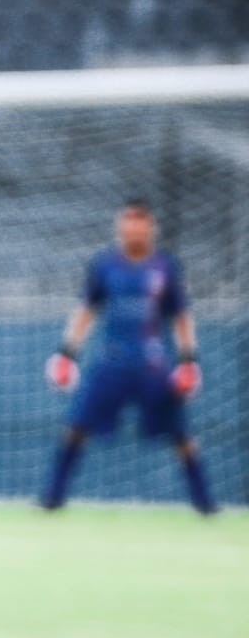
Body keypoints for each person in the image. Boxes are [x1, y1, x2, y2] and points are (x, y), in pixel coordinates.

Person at [40, 199, 215, 513]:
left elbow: (181, 317)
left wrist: (190, 361)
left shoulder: (165, 267)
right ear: (120, 228)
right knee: (76, 427)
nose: (133, 228)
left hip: (153, 367)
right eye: (128, 222)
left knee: (182, 436)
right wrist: (66, 354)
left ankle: (205, 504)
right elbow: (86, 311)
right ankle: (52, 499)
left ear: (150, 228)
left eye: (140, 222)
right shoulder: (105, 265)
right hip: (112, 364)